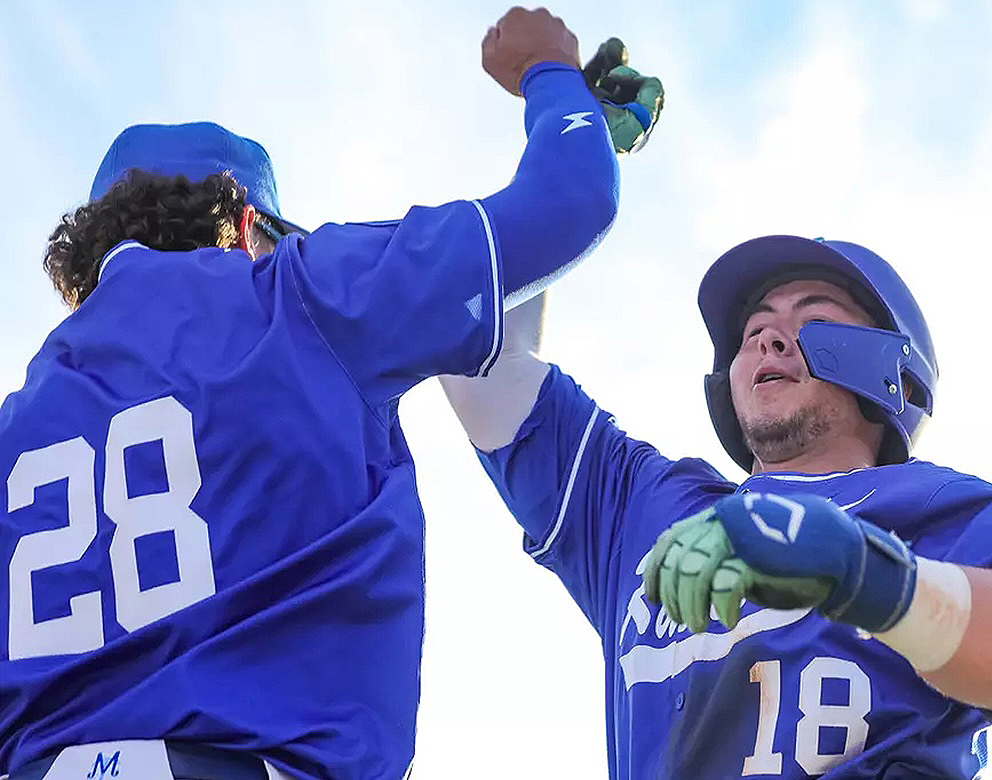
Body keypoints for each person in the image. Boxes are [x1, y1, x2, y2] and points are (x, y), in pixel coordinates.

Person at [0, 8, 654, 780]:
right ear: (248, 222)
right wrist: (552, 76)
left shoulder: (16, 423)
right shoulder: (304, 295)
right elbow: (569, 202)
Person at [440, 236, 992, 778]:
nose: (767, 340)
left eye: (813, 321)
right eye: (754, 329)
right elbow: (474, 351)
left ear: (895, 374)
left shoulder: (942, 506)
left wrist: (868, 575)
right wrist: (574, 150)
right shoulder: (645, 509)